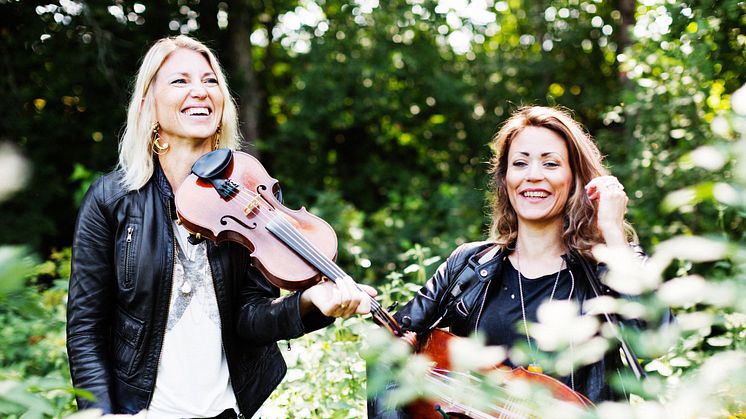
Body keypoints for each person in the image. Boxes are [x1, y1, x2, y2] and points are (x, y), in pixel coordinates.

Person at [66, 35, 375, 419]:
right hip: (142, 411)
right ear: (148, 102)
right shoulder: (111, 199)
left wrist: (311, 302)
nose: (200, 91)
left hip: (231, 410)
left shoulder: (248, 193)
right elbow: (86, 327)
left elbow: (251, 318)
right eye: (180, 81)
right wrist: (99, 413)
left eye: (210, 81)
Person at [374, 105, 655, 414]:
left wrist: (613, 233)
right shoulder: (467, 266)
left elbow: (653, 340)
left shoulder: (605, 269)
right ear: (505, 179)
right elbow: (387, 351)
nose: (533, 176)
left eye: (550, 164)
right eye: (520, 163)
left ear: (574, 178)